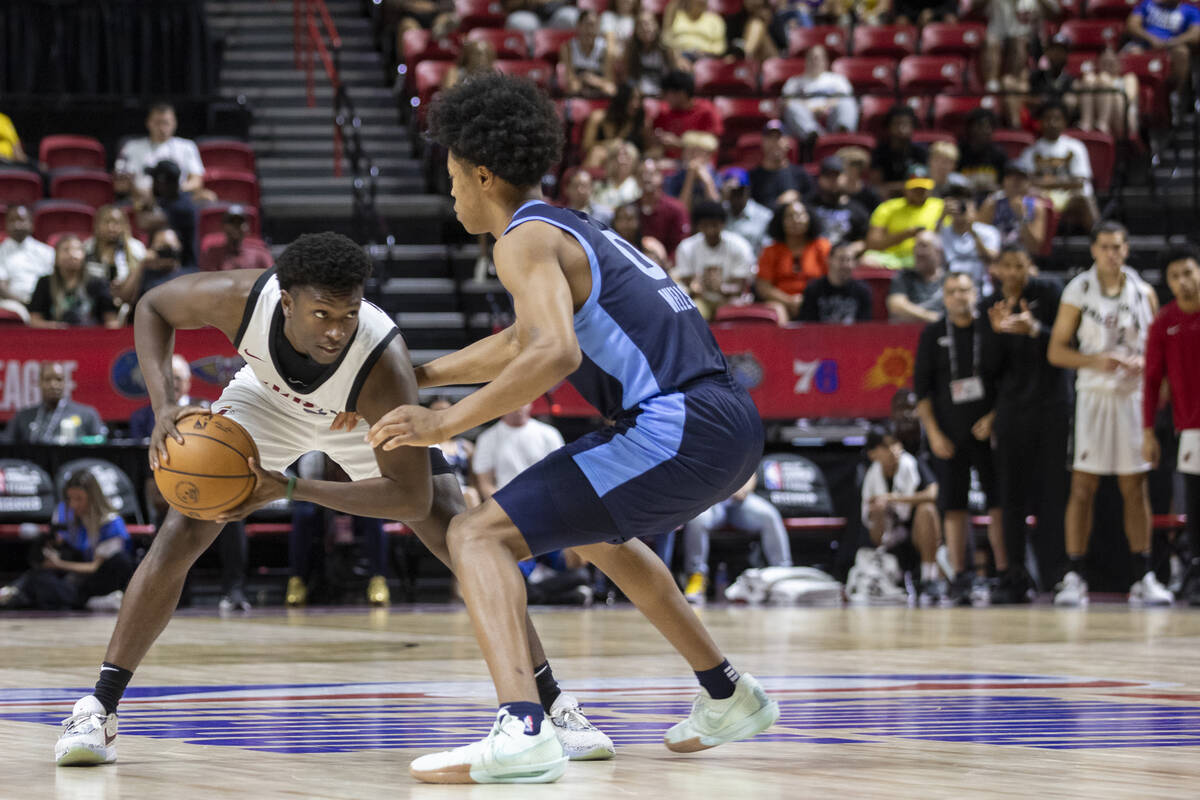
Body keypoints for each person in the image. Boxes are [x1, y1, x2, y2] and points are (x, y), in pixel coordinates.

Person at [53, 232, 614, 768]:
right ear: (286, 299)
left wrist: (292, 488)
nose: (336, 331)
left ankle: (553, 706)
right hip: (265, 401)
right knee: (183, 532)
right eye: (321, 314)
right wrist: (164, 405)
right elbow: (152, 306)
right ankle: (98, 709)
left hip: (358, 414)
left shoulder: (381, 361)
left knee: (463, 541)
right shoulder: (240, 298)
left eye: (348, 315)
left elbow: (411, 500)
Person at [365, 73, 779, 784]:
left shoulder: (520, 240)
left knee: (475, 533)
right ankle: (726, 690)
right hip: (724, 420)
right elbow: (520, 340)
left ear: (483, 173)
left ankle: (524, 728)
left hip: (677, 422)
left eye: (456, 176)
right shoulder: (567, 226)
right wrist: (419, 378)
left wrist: (444, 424)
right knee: (598, 536)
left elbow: (552, 353)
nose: (454, 191)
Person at [1047, 221, 1172, 606]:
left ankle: (1143, 574)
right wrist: (1095, 360)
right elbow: (1056, 352)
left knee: (1135, 488)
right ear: (1093, 250)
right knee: (1083, 487)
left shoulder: (1143, 292)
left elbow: (1157, 351)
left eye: (1118, 246)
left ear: (1127, 249)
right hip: (1094, 396)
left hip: (1132, 399)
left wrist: (1145, 366)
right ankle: (1074, 575)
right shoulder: (1078, 291)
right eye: (1104, 246)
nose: (1111, 253)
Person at [981, 244, 1070, 601]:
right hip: (1013, 412)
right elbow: (988, 371)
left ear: (1030, 267)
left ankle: (1058, 575)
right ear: (997, 270)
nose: (1014, 273)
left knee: (1052, 494)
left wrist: (1035, 329)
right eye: (1007, 266)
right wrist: (995, 334)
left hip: (1051, 408)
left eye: (1020, 265)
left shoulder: (1050, 292)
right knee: (1011, 497)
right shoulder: (989, 305)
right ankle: (1015, 576)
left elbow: (1065, 347)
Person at [913, 272, 1007, 605]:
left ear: (976, 293)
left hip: (989, 430)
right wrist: (934, 434)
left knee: (998, 504)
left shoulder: (991, 329)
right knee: (954, 505)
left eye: (965, 290)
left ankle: (1002, 572)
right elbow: (921, 391)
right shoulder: (934, 333)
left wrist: (995, 418)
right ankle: (960, 575)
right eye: (952, 291)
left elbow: (1008, 379)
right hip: (949, 434)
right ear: (944, 296)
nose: (959, 296)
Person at [1142, 246, 1200, 603]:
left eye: (1189, 272)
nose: (1184, 281)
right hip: (1190, 429)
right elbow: (1150, 381)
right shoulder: (1164, 321)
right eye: (1175, 276)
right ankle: (1195, 573)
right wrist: (1148, 430)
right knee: (1195, 505)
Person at [0, 470, 133, 611]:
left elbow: (94, 567)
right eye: (70, 498)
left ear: (93, 498)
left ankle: (86, 601)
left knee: (120, 561)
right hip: (77, 577)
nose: (74, 504)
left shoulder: (111, 522)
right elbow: (62, 544)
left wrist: (58, 563)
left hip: (102, 577)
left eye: (79, 498)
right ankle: (89, 602)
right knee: (39, 578)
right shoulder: (66, 513)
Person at [681, 474, 794, 604]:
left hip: (739, 500)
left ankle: (783, 575)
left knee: (769, 515)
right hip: (710, 498)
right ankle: (696, 577)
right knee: (697, 519)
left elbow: (751, 472)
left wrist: (743, 490)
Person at [861, 426, 943, 602]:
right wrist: (879, 512)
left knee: (927, 509)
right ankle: (892, 576)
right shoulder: (871, 477)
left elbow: (933, 493)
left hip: (918, 538)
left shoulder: (912, 463)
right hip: (890, 542)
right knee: (876, 510)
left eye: (896, 444)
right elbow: (873, 532)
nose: (893, 450)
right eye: (886, 446)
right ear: (872, 454)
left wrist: (894, 498)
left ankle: (930, 578)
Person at [1017, 100, 1098, 231]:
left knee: (1084, 199)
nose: (1052, 123)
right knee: (1025, 200)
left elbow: (1080, 182)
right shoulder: (1030, 152)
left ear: (1065, 122)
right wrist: (1062, 182)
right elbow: (1026, 183)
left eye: (1057, 119)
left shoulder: (1075, 147)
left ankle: (1099, 238)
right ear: (1040, 123)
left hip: (1069, 197)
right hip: (1041, 197)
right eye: (1047, 119)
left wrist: (1044, 182)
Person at [672, 200, 756, 320]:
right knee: (692, 315)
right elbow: (686, 283)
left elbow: (740, 286)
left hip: (730, 300)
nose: (710, 230)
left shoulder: (740, 246)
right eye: (705, 225)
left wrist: (720, 288)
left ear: (723, 224)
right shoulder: (687, 247)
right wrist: (695, 287)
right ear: (698, 226)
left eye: (714, 225)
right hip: (701, 299)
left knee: (731, 315)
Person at [113, 102, 209, 202]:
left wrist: (171, 192)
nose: (162, 128)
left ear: (174, 123)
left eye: (166, 123)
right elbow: (120, 184)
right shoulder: (131, 147)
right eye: (157, 123)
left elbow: (196, 181)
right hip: (141, 199)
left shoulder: (188, 146)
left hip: (177, 199)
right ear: (148, 123)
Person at [756, 198, 830, 323]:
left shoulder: (822, 247)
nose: (795, 220)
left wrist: (806, 300)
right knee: (775, 309)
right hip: (781, 304)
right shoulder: (771, 250)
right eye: (790, 217)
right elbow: (763, 287)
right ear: (781, 221)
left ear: (809, 219)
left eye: (800, 215)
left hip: (816, 301)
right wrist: (788, 301)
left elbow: (830, 280)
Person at [472, 403, 566, 501]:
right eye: (513, 401)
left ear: (531, 403)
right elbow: (485, 483)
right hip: (505, 503)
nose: (518, 407)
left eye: (523, 401)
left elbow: (560, 476)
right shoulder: (487, 438)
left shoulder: (550, 434)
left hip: (544, 500)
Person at [27, 235, 120, 329]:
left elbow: (111, 321)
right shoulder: (45, 283)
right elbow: (34, 320)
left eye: (77, 249)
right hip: (55, 336)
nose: (72, 254)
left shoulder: (99, 283)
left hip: (90, 336)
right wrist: (54, 326)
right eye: (66, 250)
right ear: (56, 257)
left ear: (84, 255)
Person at [4, 361, 107, 445]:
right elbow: (7, 444)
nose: (53, 385)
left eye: (58, 379)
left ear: (65, 383)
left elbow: (101, 440)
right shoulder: (23, 416)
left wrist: (78, 441)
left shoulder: (87, 414)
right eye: (48, 380)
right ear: (39, 383)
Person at [863, 165, 946, 270]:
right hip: (893, 258)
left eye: (922, 189)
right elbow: (872, 244)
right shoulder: (888, 207)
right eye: (915, 189)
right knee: (868, 259)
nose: (919, 193)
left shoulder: (940, 207)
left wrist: (943, 219)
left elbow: (948, 240)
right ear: (905, 188)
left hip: (925, 258)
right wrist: (906, 234)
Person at [1126, 0, 1200, 111]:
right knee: (1132, 51)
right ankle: (1129, 97)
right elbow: (1132, 25)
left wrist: (1169, 43)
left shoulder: (1190, 10)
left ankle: (1176, 96)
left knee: (1182, 52)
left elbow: (1196, 35)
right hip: (1145, 45)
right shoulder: (1148, 4)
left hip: (1172, 48)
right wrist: (1151, 39)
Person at [938, 176, 1001, 294]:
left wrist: (972, 231)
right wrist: (941, 217)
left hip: (981, 290)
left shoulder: (988, 232)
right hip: (949, 292)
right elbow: (929, 249)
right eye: (954, 199)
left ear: (973, 204)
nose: (959, 205)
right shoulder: (942, 231)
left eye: (964, 200)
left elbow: (991, 259)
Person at [780, 45, 858, 141]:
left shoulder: (837, 79)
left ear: (826, 61)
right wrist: (808, 107)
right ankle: (815, 137)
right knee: (792, 107)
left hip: (831, 115)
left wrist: (826, 107)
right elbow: (786, 101)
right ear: (806, 61)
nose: (815, 61)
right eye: (811, 58)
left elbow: (846, 96)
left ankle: (843, 135)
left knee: (847, 102)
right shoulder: (794, 82)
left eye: (818, 58)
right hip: (806, 117)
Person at [979, 160, 1049, 254]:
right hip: (996, 258)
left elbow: (1034, 247)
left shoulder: (1037, 206)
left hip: (1023, 259)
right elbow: (981, 239)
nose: (1015, 181)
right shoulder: (991, 204)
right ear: (1004, 180)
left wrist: (1022, 217)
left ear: (1028, 182)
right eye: (1010, 177)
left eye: (1020, 178)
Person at [649, 70, 722, 159]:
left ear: (681, 94)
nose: (663, 97)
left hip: (697, 164)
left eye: (666, 93)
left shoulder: (707, 111)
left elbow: (711, 147)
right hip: (667, 166)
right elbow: (653, 143)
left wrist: (679, 144)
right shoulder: (664, 112)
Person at [0, 204, 54, 322]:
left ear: (31, 224)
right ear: (6, 225)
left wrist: (38, 303)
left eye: (21, 220)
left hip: (46, 302)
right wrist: (26, 303)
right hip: (15, 303)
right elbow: (1, 287)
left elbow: (55, 281)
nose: (17, 225)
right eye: (12, 221)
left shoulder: (46, 251)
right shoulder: (1, 252)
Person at [139, 160, 198, 267]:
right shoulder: (165, 200)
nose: (153, 184)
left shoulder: (183, 207)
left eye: (155, 181)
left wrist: (145, 198)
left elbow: (144, 223)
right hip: (164, 265)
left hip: (183, 269)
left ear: (164, 183)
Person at [798, 240, 872, 323]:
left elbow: (864, 327)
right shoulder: (813, 289)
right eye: (841, 259)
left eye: (849, 260)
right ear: (829, 260)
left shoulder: (862, 291)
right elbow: (808, 325)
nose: (845, 265)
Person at [806, 156, 869, 249]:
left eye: (836, 176)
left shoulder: (857, 209)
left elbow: (865, 240)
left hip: (843, 259)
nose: (832, 181)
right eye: (828, 176)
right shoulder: (807, 206)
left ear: (845, 178)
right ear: (819, 179)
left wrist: (851, 250)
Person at [85, 205, 146, 300]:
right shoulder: (87, 247)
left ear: (124, 225)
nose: (111, 227)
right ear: (97, 225)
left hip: (129, 298)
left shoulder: (136, 248)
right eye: (106, 222)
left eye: (116, 222)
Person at [429, 396, 481, 508]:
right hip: (437, 491)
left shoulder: (466, 446)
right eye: (436, 412)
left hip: (463, 491)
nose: (440, 415)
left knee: (471, 493)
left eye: (445, 411)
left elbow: (474, 480)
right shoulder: (426, 446)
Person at [748, 120, 813, 209]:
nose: (774, 142)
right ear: (762, 142)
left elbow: (811, 202)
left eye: (778, 137)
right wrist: (779, 203)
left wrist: (798, 199)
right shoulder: (753, 177)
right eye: (770, 138)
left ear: (788, 142)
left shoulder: (801, 175)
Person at [1078, 48, 1140, 139]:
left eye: (1111, 63)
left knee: (1105, 80)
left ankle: (1102, 124)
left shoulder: (1129, 78)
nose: (1108, 67)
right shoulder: (1094, 80)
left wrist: (1106, 83)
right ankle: (1086, 123)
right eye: (1104, 63)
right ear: (1098, 64)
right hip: (1095, 117)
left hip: (1124, 120)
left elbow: (1128, 98)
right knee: (1088, 78)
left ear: (1119, 63)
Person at [886, 230, 946, 323]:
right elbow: (896, 305)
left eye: (924, 246)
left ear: (938, 251)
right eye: (916, 247)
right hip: (907, 332)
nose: (918, 252)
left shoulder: (950, 279)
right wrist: (931, 317)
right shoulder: (904, 276)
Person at [869, 105, 928, 199]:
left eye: (906, 124)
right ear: (889, 126)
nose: (901, 129)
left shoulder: (920, 152)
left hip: (914, 200)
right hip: (886, 201)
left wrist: (897, 187)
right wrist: (904, 186)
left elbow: (923, 185)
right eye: (897, 124)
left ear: (913, 126)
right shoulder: (879, 152)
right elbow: (877, 187)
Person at [636, 158, 691, 258]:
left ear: (661, 177)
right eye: (641, 174)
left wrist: (665, 264)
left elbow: (682, 245)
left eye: (651, 174)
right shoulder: (631, 209)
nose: (646, 178)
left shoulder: (676, 209)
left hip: (669, 267)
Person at [581, 84, 645, 168]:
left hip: (625, 161)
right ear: (622, 99)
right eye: (632, 99)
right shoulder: (598, 117)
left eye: (639, 100)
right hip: (602, 158)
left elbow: (646, 149)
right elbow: (586, 146)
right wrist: (609, 144)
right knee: (597, 153)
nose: (636, 104)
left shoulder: (636, 121)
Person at [199, 205, 273, 272]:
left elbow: (271, 280)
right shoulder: (212, 254)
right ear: (223, 226)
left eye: (240, 223)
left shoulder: (260, 255)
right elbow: (207, 281)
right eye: (232, 222)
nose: (236, 227)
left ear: (247, 228)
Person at [561, 10, 617, 98]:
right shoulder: (567, 47)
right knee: (573, 87)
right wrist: (583, 79)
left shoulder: (604, 48)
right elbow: (569, 77)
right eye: (587, 25)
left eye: (594, 26)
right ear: (578, 26)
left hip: (597, 84)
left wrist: (593, 80)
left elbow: (609, 79)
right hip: (578, 83)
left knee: (610, 89)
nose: (590, 30)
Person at [626, 10, 681, 97]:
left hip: (663, 96)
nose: (645, 28)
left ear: (656, 26)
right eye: (641, 25)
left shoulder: (666, 50)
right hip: (640, 97)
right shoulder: (632, 51)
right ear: (635, 31)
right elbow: (630, 79)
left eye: (649, 24)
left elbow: (674, 77)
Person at [663, 130, 721, 212]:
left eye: (699, 152)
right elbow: (680, 210)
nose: (693, 156)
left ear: (709, 156)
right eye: (689, 151)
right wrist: (689, 178)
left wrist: (707, 182)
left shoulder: (716, 176)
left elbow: (716, 209)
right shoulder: (673, 178)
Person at [721, 167, 772, 255]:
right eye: (733, 191)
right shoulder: (719, 213)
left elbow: (767, 250)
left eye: (740, 191)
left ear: (748, 191)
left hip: (753, 265)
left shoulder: (764, 215)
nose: (736, 196)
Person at [957, 109, 1009, 195]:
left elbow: (1005, 185)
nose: (986, 130)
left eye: (990, 126)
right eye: (981, 125)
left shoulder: (999, 155)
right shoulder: (959, 153)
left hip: (991, 201)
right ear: (970, 128)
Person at [612, 202, 671, 269]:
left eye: (629, 219)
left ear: (639, 221)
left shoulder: (652, 245)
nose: (624, 224)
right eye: (620, 219)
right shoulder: (608, 248)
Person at [591, 141, 642, 210]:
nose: (620, 160)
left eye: (626, 156)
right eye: (616, 156)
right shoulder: (599, 186)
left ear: (634, 161)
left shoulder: (638, 187)